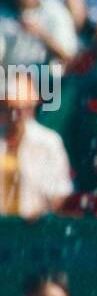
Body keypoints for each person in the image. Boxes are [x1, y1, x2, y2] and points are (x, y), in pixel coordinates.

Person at [0, 74, 72, 218]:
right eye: (11, 108)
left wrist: (39, 210)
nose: (17, 115)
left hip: (32, 229)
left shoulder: (49, 141)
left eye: (24, 109)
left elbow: (60, 190)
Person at [0, 0, 78, 68]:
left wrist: (41, 34)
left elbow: (69, 57)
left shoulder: (55, 13)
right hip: (8, 78)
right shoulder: (3, 13)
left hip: (45, 80)